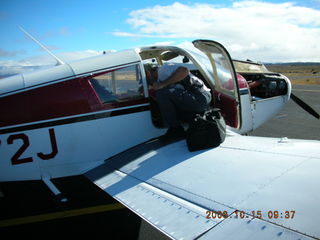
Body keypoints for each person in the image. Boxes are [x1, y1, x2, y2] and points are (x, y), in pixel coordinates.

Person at [153, 63, 212, 141]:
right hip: (199, 97)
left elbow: (184, 70)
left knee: (162, 93)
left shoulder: (163, 69)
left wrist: (163, 84)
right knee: (165, 94)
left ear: (149, 73)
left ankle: (176, 129)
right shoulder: (160, 76)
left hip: (201, 98)